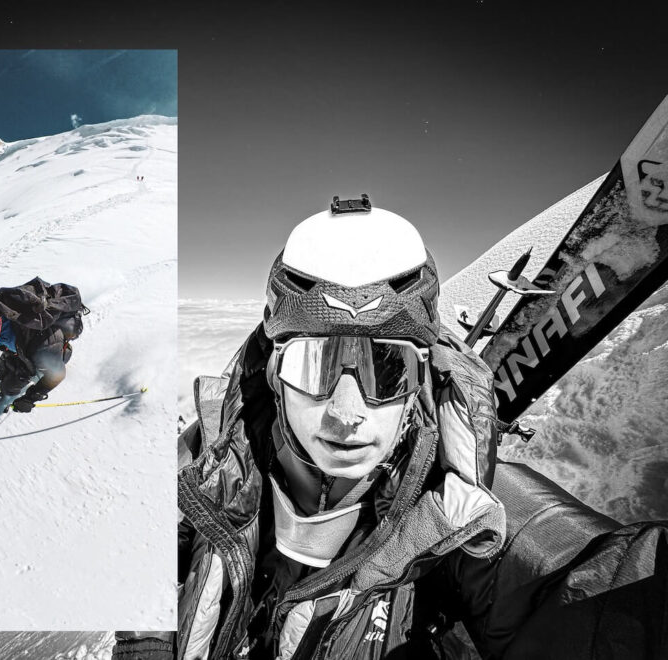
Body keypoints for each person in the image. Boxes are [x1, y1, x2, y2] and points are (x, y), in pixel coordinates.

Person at [113, 197, 667, 659]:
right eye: (313, 366)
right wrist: (147, 643)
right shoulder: (205, 462)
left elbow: (592, 588)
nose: (346, 412)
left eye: (388, 369)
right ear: (275, 371)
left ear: (422, 377)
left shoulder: (472, 514)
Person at [0, 276, 88, 413]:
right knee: (0, 371)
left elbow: (58, 375)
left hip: (47, 346)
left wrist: (31, 398)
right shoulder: (1, 313)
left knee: (10, 387)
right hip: (23, 344)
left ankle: (58, 356)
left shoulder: (42, 347)